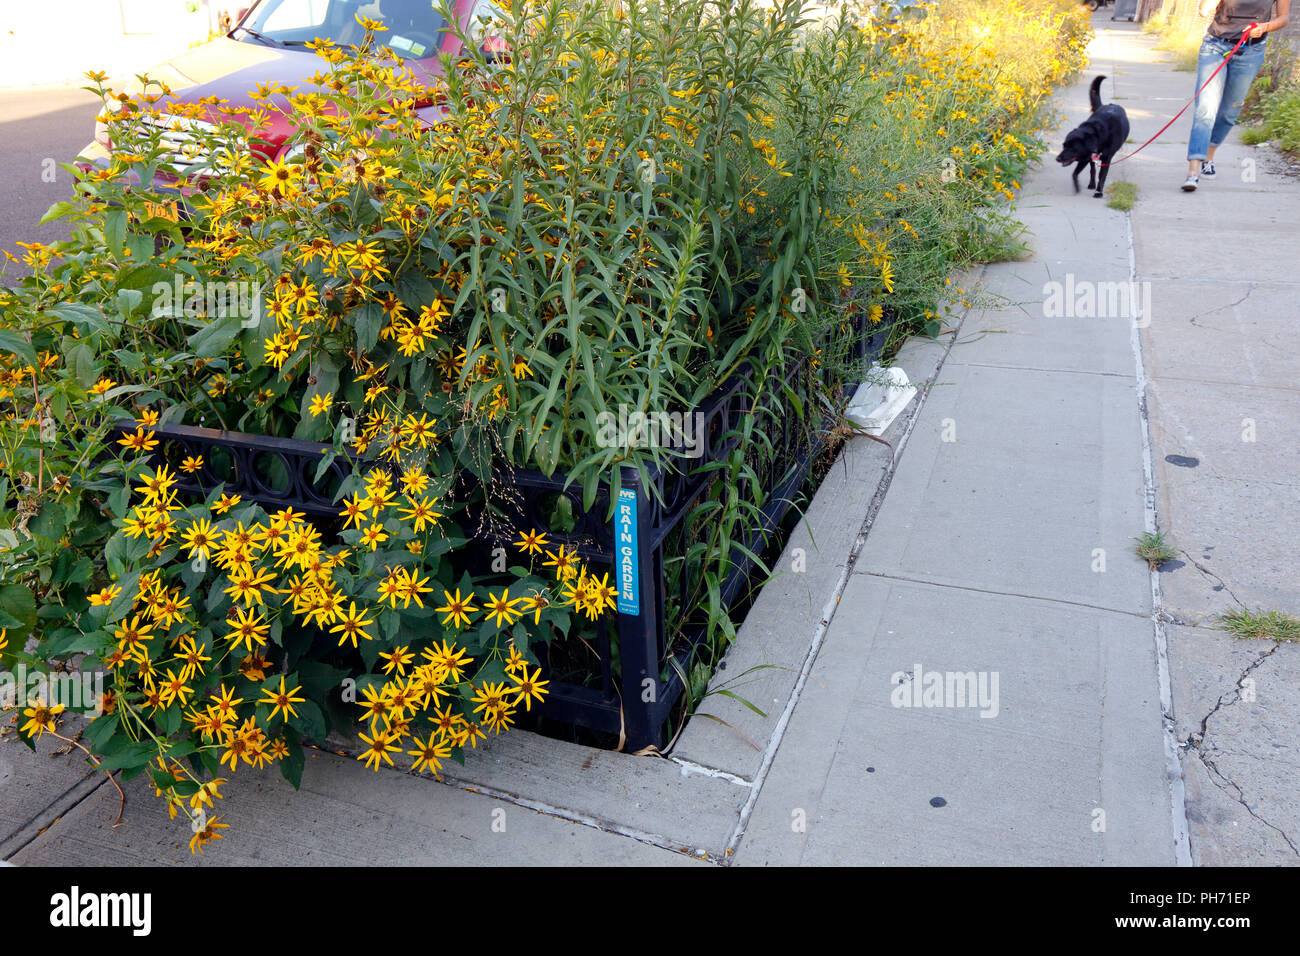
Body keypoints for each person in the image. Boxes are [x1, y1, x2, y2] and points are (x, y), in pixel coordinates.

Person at [1182, 0, 1291, 191]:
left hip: (1251, 51)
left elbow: (1284, 18)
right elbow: (1203, 10)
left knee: (1231, 110)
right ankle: (1193, 170)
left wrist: (1265, 27)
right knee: (1206, 107)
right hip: (1215, 46)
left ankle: (1208, 156)